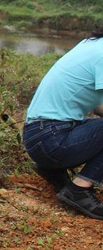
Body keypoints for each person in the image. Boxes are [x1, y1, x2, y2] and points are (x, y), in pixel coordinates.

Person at [23, 30, 103, 219]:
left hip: (38, 136)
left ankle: (53, 169)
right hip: (51, 139)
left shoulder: (91, 44)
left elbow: (97, 107)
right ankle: (79, 190)